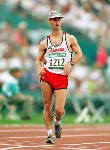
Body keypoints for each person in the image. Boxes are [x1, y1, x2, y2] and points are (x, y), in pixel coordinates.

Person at [36, 10, 83, 144]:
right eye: (54, 19)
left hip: (61, 76)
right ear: (49, 21)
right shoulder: (44, 42)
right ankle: (49, 134)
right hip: (47, 74)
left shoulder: (70, 38)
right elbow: (38, 60)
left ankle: (57, 122)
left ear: (61, 21)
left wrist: (71, 63)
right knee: (47, 104)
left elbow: (79, 54)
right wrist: (40, 68)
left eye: (59, 19)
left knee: (59, 110)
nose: (57, 22)